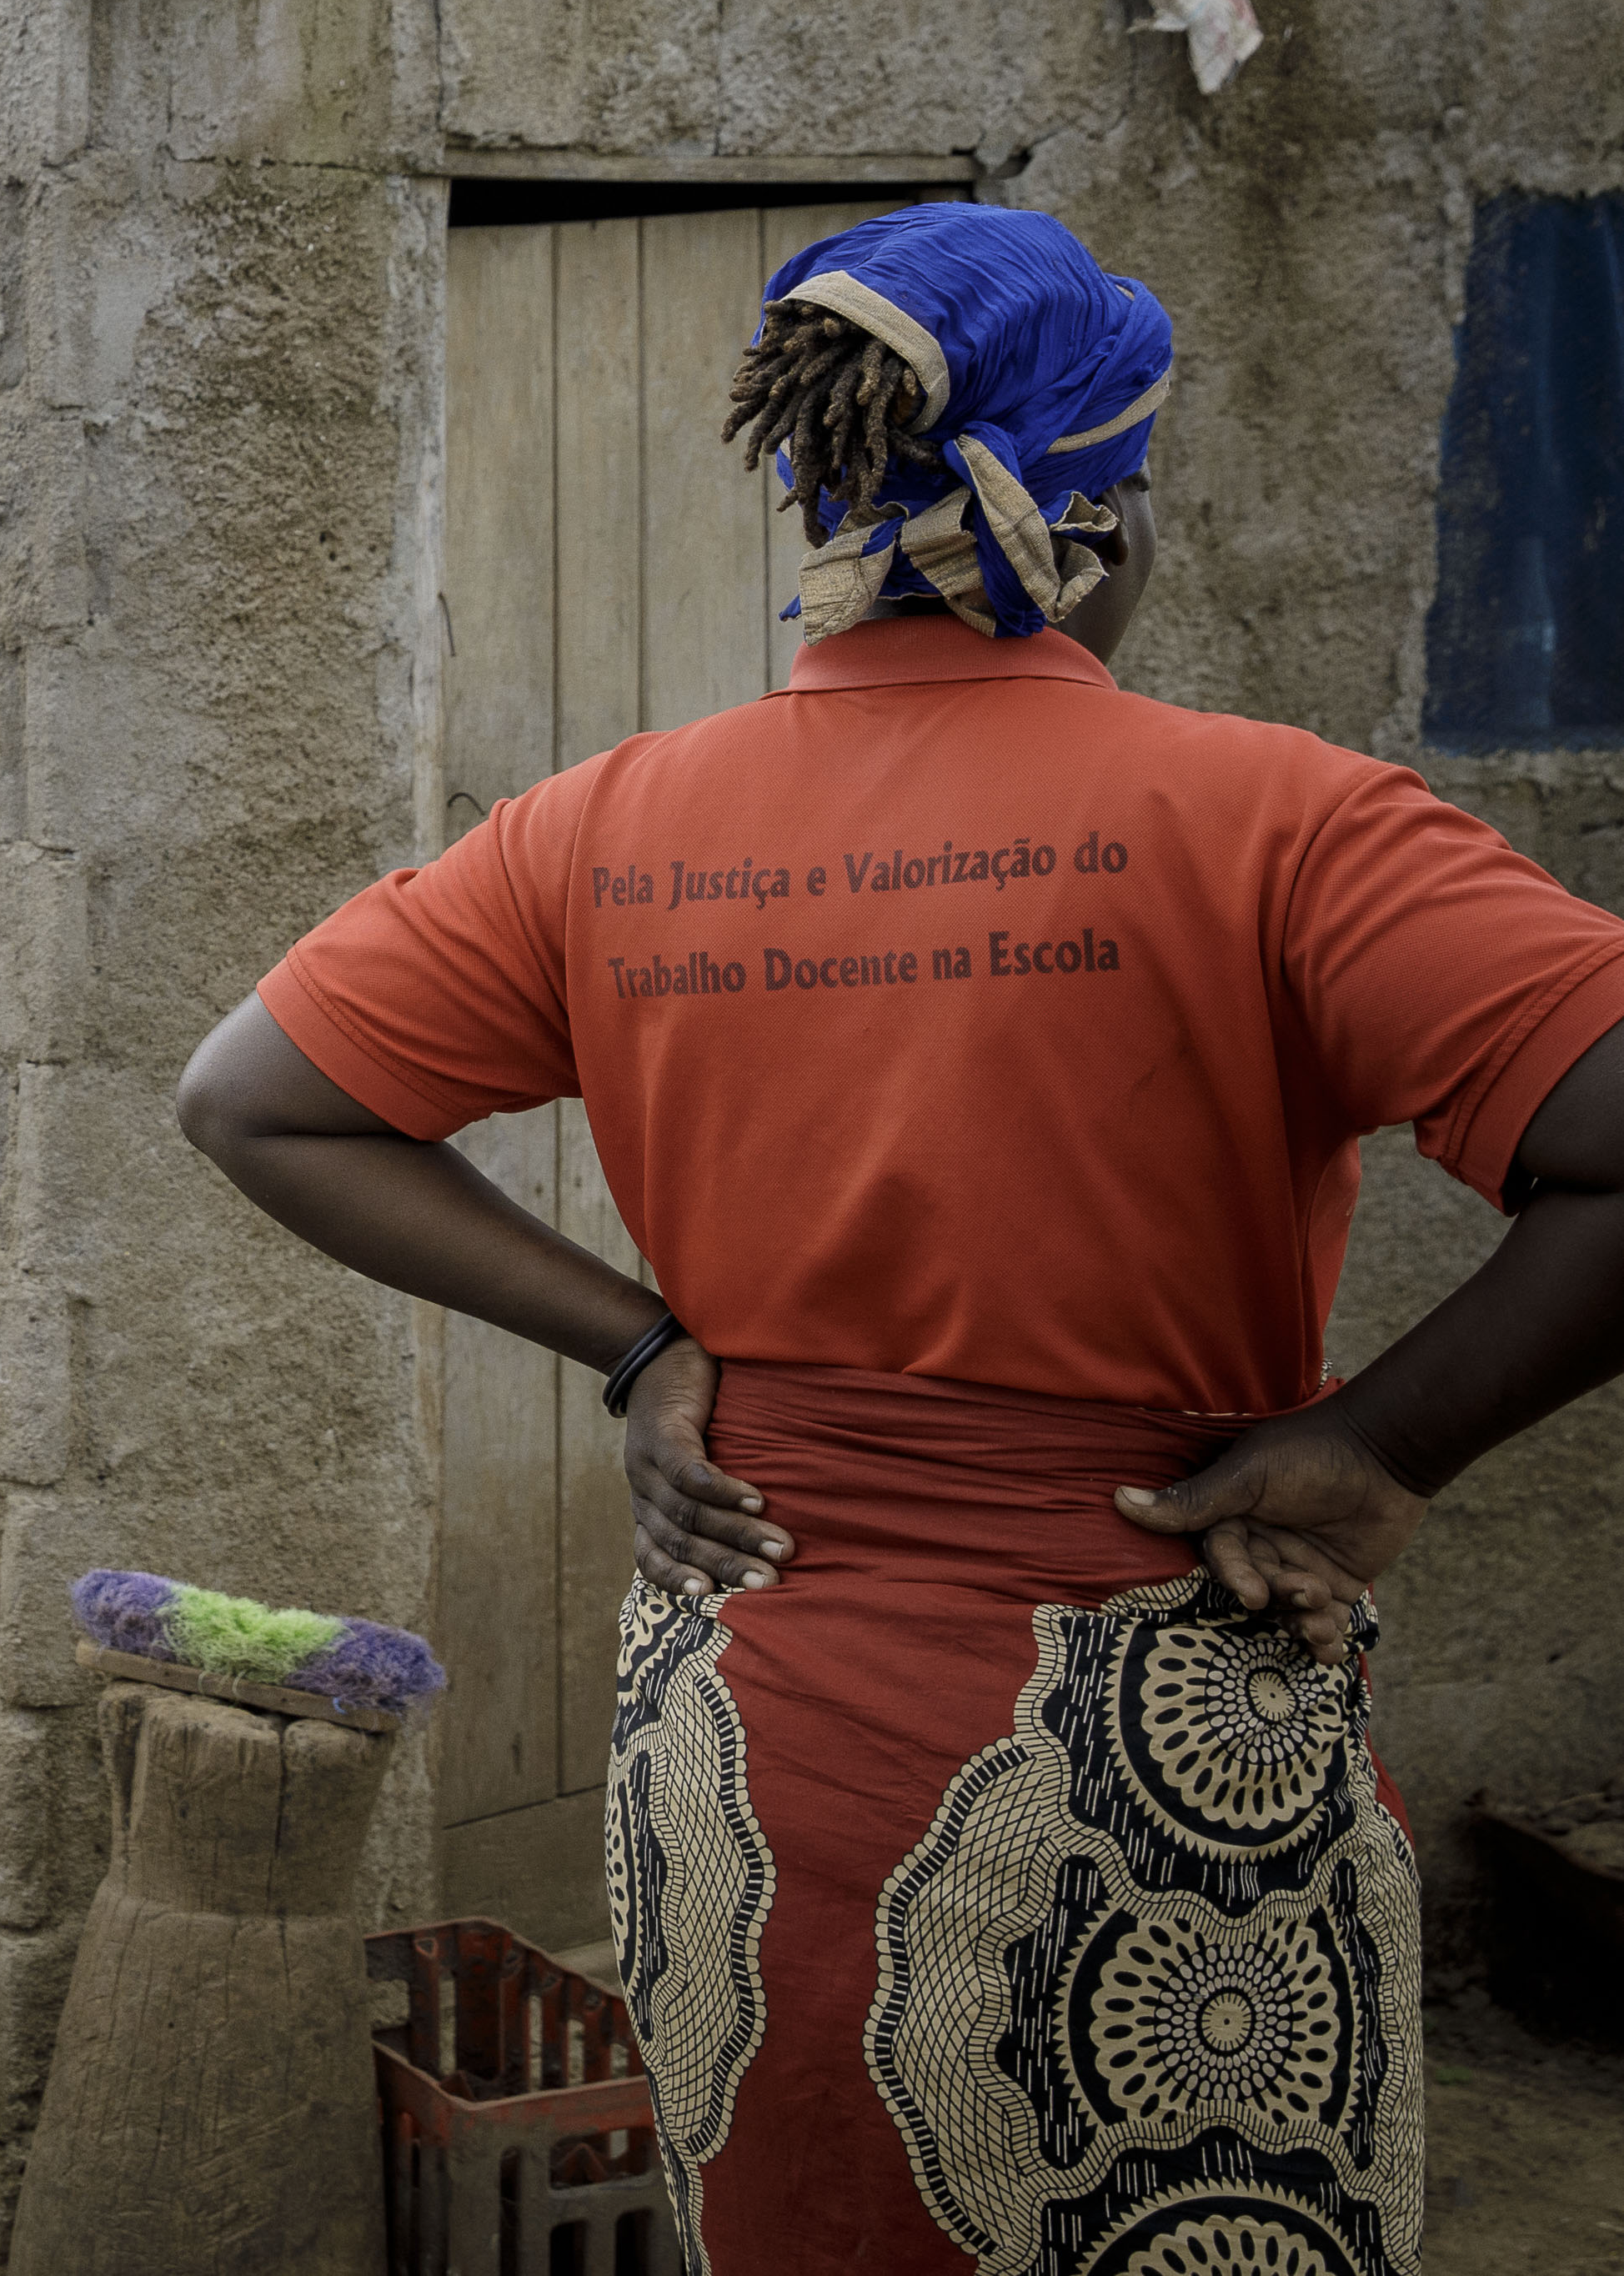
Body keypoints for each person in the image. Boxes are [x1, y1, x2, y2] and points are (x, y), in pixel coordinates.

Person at [178, 206, 1624, 2272]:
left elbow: (250, 1096)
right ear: (1098, 517)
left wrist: (633, 1342)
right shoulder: (1281, 825)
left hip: (745, 1742)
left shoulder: (600, 831)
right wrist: (1386, 1443)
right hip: (1149, 1729)